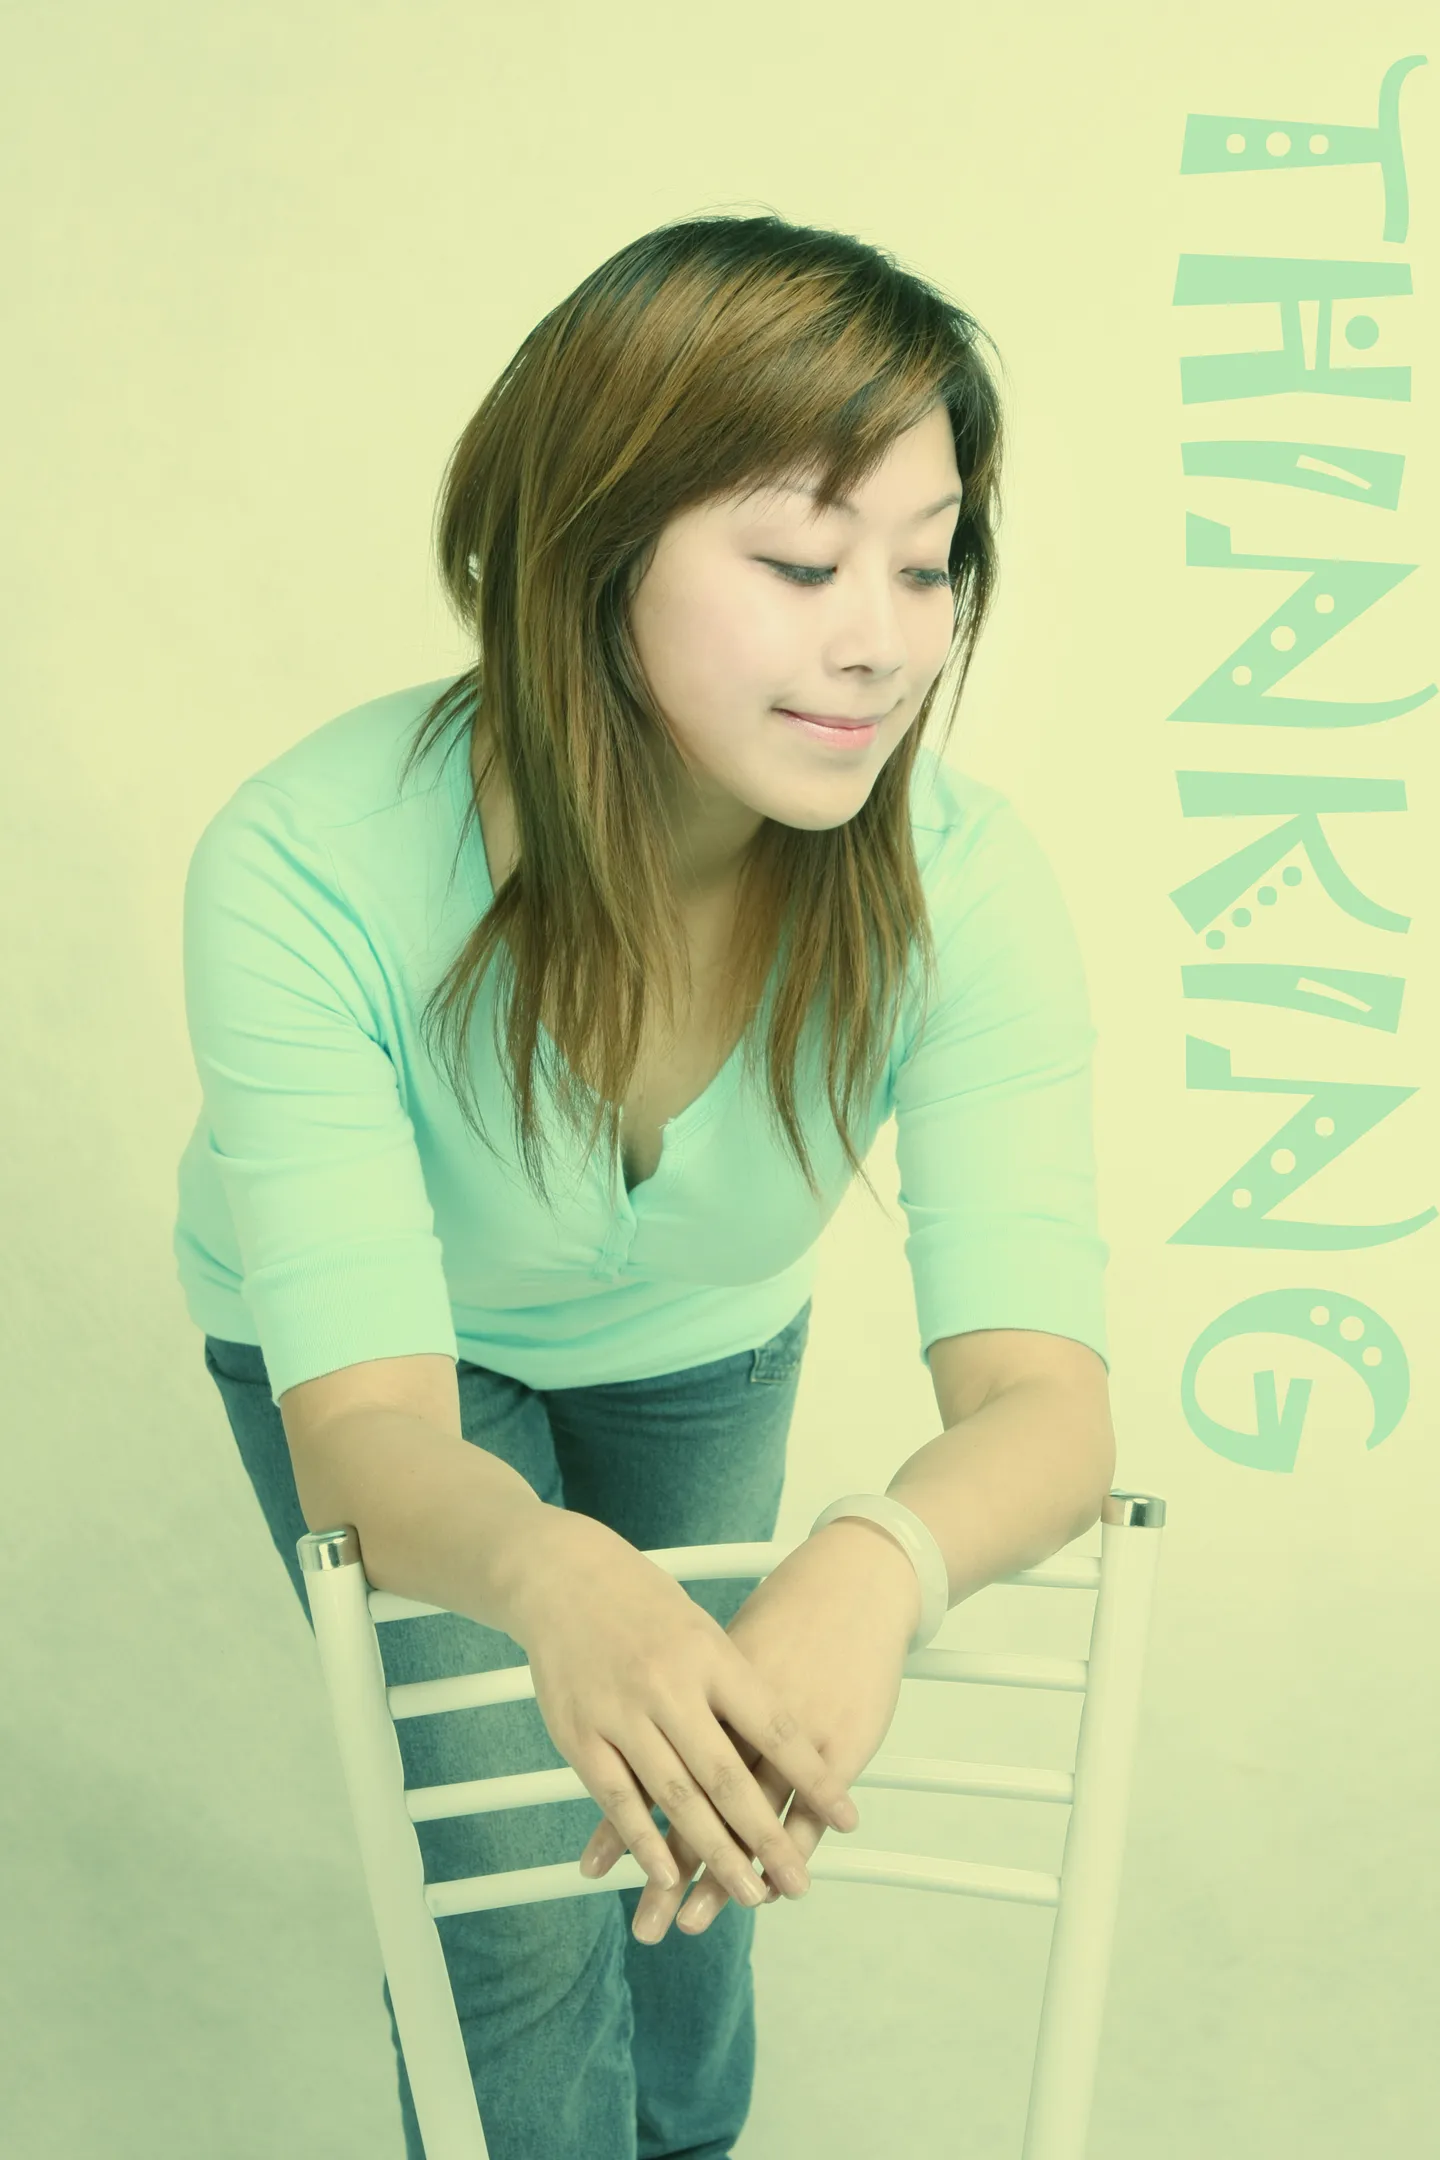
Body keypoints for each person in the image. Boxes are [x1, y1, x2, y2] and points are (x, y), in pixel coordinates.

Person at [176, 210, 1114, 2160]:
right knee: (515, 1898)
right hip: (382, 1379)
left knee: (708, 1833)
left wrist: (878, 1562)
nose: (883, 640)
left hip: (700, 1344)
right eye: (801, 563)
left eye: (928, 563)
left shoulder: (963, 879)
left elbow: (1050, 1406)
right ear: (589, 553)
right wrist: (553, 1575)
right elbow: (367, 1431)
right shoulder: (305, 864)